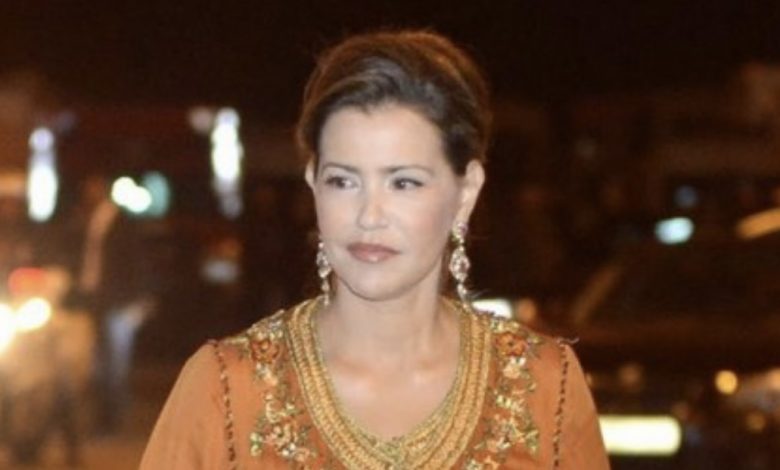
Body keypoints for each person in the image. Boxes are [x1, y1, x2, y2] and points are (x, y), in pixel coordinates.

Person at [141, 30, 609, 469]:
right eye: (343, 181)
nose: (369, 215)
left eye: (403, 182)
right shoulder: (225, 389)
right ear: (313, 184)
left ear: (465, 192)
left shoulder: (547, 387)